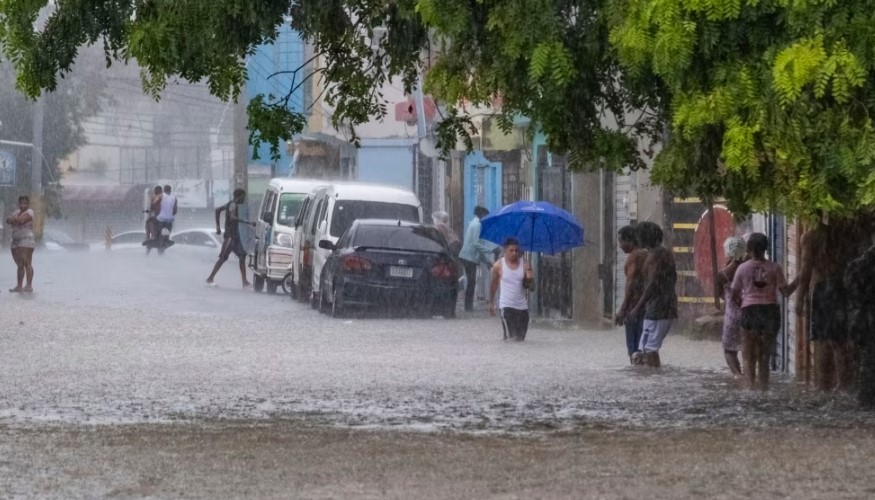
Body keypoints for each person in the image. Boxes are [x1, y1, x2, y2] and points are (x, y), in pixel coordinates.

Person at [793, 218, 868, 392]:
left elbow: (805, 271)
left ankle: (826, 385)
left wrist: (799, 299)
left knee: (824, 339)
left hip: (823, 290)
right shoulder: (843, 236)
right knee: (837, 338)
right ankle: (839, 383)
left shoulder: (810, 237)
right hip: (842, 288)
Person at [731, 233, 796, 390]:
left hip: (750, 311)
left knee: (748, 356)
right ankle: (763, 390)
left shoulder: (742, 268)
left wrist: (742, 302)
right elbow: (786, 292)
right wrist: (800, 278)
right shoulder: (774, 268)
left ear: (749, 249)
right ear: (766, 248)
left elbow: (734, 294)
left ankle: (750, 389)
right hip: (769, 312)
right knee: (764, 356)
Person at [629, 222, 677, 368]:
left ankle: (656, 381)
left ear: (644, 237)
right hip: (664, 305)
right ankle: (653, 381)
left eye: (637, 235)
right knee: (647, 348)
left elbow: (652, 284)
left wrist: (636, 308)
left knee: (649, 349)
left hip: (657, 308)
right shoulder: (662, 253)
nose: (635, 239)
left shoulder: (655, 256)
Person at [488, 238, 534, 341]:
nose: (514, 253)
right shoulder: (498, 266)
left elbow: (531, 288)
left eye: (516, 250)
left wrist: (529, 278)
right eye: (511, 250)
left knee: (520, 340)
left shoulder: (526, 265)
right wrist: (491, 303)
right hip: (506, 307)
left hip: (522, 308)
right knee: (511, 339)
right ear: (505, 250)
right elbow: (494, 285)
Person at [207, 188, 254, 288]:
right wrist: (248, 222)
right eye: (243, 197)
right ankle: (210, 278)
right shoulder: (232, 205)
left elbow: (218, 210)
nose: (244, 199)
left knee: (242, 257)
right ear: (240, 196)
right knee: (223, 258)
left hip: (236, 237)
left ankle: (244, 282)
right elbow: (232, 217)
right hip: (230, 237)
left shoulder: (231, 204)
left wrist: (218, 227)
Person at [615, 224, 647, 364]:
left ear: (630, 241)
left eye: (621, 241)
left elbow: (631, 283)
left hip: (634, 308)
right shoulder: (646, 254)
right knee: (643, 348)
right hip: (646, 307)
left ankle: (636, 377)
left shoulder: (634, 257)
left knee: (634, 351)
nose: (620, 246)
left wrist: (623, 309)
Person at [716, 236, 747, 377]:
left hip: (732, 315)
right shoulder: (750, 268)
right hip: (751, 312)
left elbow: (720, 295)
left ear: (727, 252)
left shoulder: (723, 274)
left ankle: (737, 376)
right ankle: (751, 378)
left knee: (729, 350)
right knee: (749, 348)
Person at [459, 206, 494, 311]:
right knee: (471, 282)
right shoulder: (478, 225)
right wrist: (490, 250)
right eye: (486, 215)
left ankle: (468, 306)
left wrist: (488, 262)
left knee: (471, 281)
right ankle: (468, 306)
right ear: (482, 214)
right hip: (469, 257)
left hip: (468, 257)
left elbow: (477, 248)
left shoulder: (474, 224)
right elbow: (476, 244)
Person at [6, 195, 35, 293]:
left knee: (27, 262)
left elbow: (22, 221)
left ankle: (28, 285)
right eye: (21, 203)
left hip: (26, 240)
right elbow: (8, 220)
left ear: (28, 204)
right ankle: (19, 286)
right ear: (18, 204)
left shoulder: (30, 212)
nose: (23, 205)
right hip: (16, 241)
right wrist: (14, 220)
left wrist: (14, 220)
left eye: (25, 203)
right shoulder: (17, 212)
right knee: (20, 264)